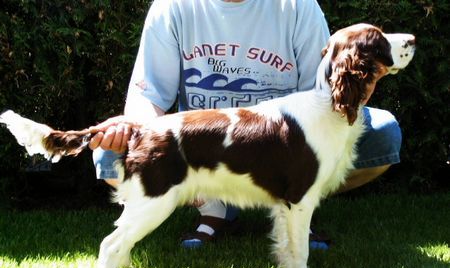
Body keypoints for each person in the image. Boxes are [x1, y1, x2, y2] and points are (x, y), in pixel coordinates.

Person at [89, 0, 402, 249]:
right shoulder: (172, 6)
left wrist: (367, 80)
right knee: (109, 155)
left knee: (383, 134)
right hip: (203, 153)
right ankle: (210, 207)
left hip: (282, 151)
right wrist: (142, 136)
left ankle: (296, 206)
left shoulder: (298, 6)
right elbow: (149, 96)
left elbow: (324, 95)